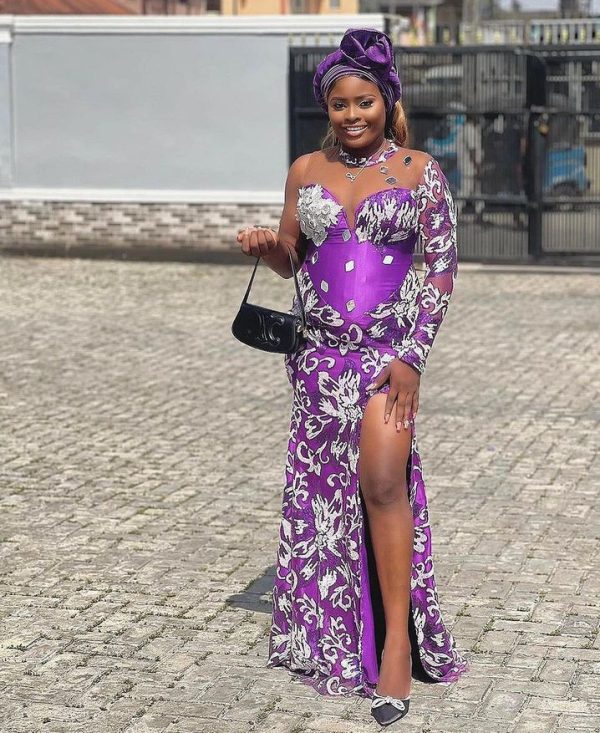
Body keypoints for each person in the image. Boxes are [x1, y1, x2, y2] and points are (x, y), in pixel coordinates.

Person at [237, 28, 470, 727]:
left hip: (385, 358)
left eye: (363, 102)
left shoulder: (421, 170)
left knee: (383, 482)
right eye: (339, 104)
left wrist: (412, 357)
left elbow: (442, 269)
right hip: (317, 360)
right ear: (327, 109)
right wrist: (266, 248)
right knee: (324, 499)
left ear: (386, 101)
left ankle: (396, 643)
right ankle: (332, 631)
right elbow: (292, 256)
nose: (351, 115)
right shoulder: (305, 169)